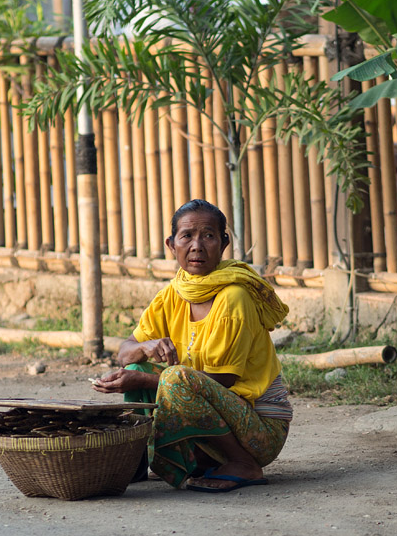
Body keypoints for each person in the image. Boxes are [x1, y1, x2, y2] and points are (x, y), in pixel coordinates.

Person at [92, 199, 292, 493]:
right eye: (187, 236)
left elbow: (223, 380)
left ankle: (243, 464)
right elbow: (125, 353)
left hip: (258, 430)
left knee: (172, 378)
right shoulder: (172, 294)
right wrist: (146, 347)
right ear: (171, 245)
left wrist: (145, 378)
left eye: (208, 236)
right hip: (222, 417)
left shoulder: (234, 297)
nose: (197, 245)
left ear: (223, 244)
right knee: (137, 364)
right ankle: (139, 459)